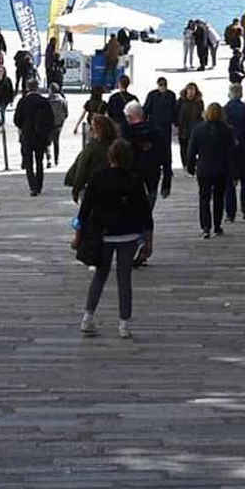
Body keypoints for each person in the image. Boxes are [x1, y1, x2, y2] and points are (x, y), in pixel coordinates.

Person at [74, 139, 153, 339]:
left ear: (110, 156)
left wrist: (78, 235)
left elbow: (85, 211)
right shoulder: (135, 180)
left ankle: (88, 317)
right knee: (124, 278)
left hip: (104, 233)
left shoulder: (98, 178)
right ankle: (124, 324)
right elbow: (145, 214)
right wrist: (148, 241)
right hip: (128, 234)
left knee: (100, 275)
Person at [187, 102, 235, 239]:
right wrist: (233, 172)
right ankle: (217, 226)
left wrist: (190, 167)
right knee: (219, 198)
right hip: (221, 169)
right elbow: (231, 152)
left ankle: (206, 227)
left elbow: (191, 151)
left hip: (204, 168)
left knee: (204, 198)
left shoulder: (198, 129)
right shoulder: (226, 130)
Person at [120, 101, 166, 211]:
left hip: (132, 174)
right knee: (149, 203)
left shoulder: (126, 133)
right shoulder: (157, 131)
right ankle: (147, 225)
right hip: (153, 172)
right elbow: (165, 156)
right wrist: (166, 181)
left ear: (130, 117)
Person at [13, 78, 55, 196]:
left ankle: (33, 186)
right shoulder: (43, 101)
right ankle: (39, 185)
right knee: (39, 161)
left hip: (27, 135)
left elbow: (17, 120)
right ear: (37, 87)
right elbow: (51, 119)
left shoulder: (23, 101)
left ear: (27, 87)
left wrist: (23, 127)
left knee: (29, 162)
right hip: (40, 136)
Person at [64, 113, 117, 202]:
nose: (89, 130)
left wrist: (76, 189)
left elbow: (82, 168)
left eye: (92, 128)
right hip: (113, 187)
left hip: (92, 187)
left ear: (98, 130)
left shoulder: (92, 147)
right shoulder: (116, 145)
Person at [224, 84, 245, 222]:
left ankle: (230, 213)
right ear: (241, 94)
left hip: (229, 153)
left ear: (229, 94)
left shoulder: (224, 111)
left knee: (229, 184)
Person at [142, 76, 178, 198]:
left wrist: (175, 122)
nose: (162, 87)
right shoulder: (152, 95)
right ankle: (158, 164)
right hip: (154, 125)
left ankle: (167, 167)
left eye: (164, 85)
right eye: (161, 85)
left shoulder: (171, 95)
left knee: (167, 148)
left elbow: (174, 110)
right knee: (156, 147)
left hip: (165, 126)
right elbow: (146, 108)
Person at [176, 81, 204, 168]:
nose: (191, 92)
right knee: (183, 147)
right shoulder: (181, 101)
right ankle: (185, 164)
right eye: (189, 90)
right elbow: (176, 112)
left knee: (192, 148)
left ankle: (191, 164)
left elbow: (201, 115)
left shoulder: (199, 102)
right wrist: (177, 124)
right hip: (183, 128)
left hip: (194, 128)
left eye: (193, 90)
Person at [47, 83, 69, 166]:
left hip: (49, 124)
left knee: (48, 142)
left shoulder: (48, 100)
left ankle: (49, 159)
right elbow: (66, 113)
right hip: (59, 124)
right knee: (56, 142)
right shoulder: (63, 100)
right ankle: (56, 159)